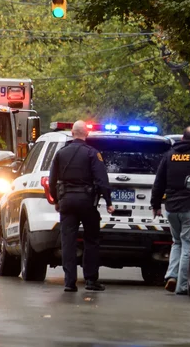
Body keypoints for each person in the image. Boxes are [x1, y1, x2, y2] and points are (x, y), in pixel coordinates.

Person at [49, 120, 115, 292]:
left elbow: (52, 180)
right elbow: (102, 180)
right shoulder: (92, 153)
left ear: (72, 133)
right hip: (86, 202)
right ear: (86, 134)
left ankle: (69, 283)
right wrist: (108, 202)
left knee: (68, 241)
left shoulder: (61, 153)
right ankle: (91, 280)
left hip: (66, 202)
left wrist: (56, 200)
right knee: (91, 240)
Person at [151, 126, 190, 295]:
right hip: (189, 207)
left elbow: (159, 182)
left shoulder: (169, 155)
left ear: (183, 138)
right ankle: (182, 285)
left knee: (176, 242)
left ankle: (171, 275)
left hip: (171, 208)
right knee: (186, 244)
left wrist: (156, 205)